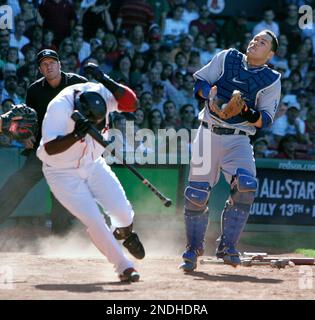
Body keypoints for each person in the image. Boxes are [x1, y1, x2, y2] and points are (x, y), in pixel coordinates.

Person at [179, 30, 281, 271]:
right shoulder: (227, 58)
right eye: (255, 39)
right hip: (208, 131)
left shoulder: (272, 79)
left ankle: (227, 246)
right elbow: (200, 82)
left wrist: (244, 111)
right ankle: (193, 248)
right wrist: (209, 94)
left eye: (263, 42)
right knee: (196, 193)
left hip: (239, 138)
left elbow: (265, 119)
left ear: (271, 54)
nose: (256, 42)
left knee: (246, 186)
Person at [36, 64, 145, 282]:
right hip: (61, 172)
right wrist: (75, 135)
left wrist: (105, 79)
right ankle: (124, 266)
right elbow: (48, 148)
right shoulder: (59, 108)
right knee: (95, 220)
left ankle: (122, 233)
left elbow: (132, 104)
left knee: (123, 213)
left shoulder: (100, 92)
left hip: (93, 163)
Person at [0, 49, 88, 234]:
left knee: (60, 196)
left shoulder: (78, 84)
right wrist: (26, 136)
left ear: (59, 64)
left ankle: (60, 243)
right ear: (40, 69)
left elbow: (95, 110)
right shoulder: (34, 90)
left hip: (69, 150)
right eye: (44, 64)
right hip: (43, 149)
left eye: (52, 62)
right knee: (17, 182)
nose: (49, 66)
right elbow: (28, 121)